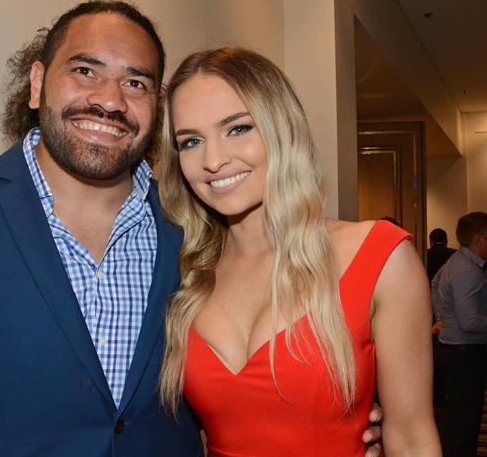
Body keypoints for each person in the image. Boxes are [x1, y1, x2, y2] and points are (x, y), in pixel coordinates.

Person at [0, 1, 383, 456]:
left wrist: (345, 418)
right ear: (37, 84)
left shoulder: (195, 222)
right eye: (85, 71)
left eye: (136, 82)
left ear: (157, 108)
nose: (110, 100)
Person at [157, 47, 441, 456]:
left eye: (238, 128)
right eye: (191, 141)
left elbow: (413, 439)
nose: (214, 160)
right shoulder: (184, 272)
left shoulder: (379, 258)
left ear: (281, 129)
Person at [432, 212, 487, 457]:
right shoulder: (469, 271)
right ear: (479, 240)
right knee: (464, 423)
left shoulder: (455, 261)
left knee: (457, 418)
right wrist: (446, 318)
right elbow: (470, 321)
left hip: (452, 349)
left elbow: (435, 283)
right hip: (464, 353)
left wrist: (442, 317)